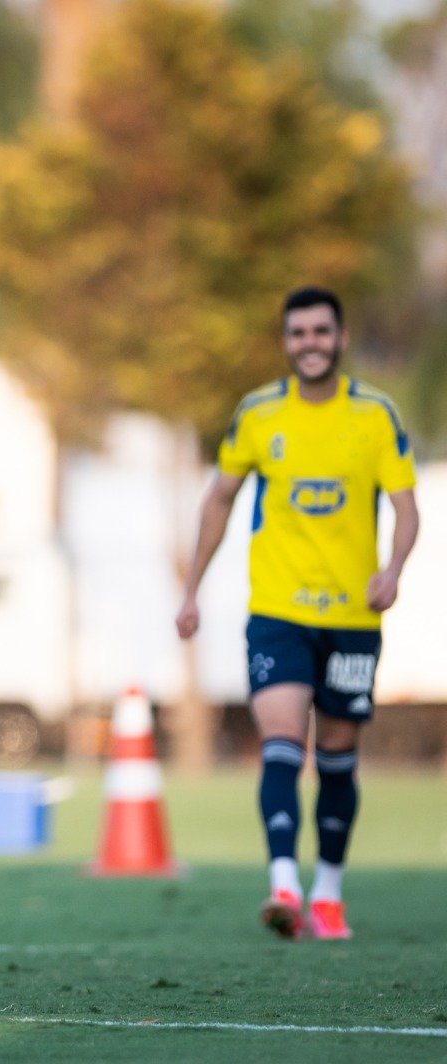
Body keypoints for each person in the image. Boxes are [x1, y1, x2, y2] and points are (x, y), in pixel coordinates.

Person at [176, 285, 418, 941]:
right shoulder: (257, 414)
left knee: (338, 757)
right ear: (286, 343)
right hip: (277, 611)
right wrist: (193, 587)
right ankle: (284, 883)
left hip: (352, 617)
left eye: (320, 332)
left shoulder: (373, 415)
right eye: (297, 334)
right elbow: (219, 499)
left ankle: (329, 894)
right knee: (281, 740)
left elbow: (405, 507)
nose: (309, 343)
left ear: (339, 339)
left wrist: (392, 571)